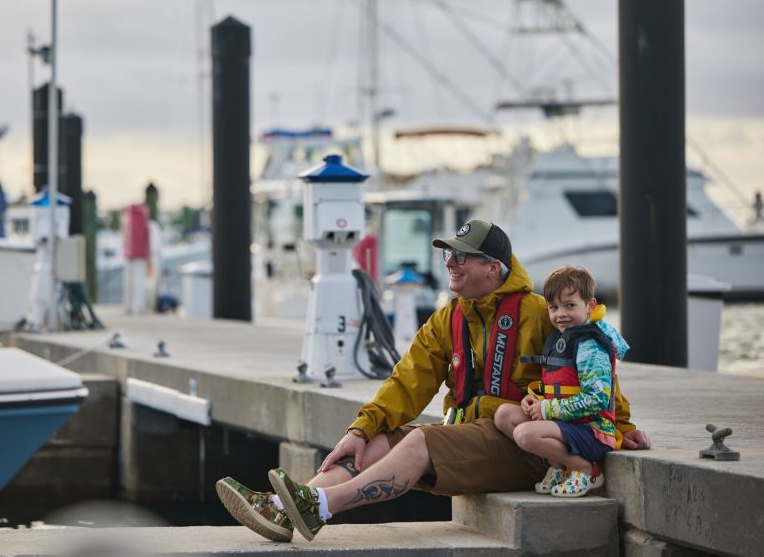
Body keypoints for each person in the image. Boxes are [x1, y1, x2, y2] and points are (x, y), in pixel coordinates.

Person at [216, 219, 651, 543]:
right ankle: (281, 510)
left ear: (493, 267)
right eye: (448, 254)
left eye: (461, 255)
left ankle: (322, 508)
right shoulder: (449, 316)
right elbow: (408, 379)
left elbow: (595, 365)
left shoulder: (539, 312)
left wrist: (623, 427)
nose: (450, 263)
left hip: (521, 442)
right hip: (469, 435)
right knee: (380, 441)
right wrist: (360, 429)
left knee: (421, 442)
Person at [494, 265, 629, 498]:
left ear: (590, 306)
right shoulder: (561, 337)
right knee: (504, 415)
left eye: (570, 305)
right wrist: (537, 400)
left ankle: (586, 469)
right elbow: (562, 387)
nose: (561, 314)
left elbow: (596, 400)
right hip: (568, 424)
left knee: (525, 434)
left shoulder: (591, 346)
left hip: (593, 431)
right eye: (554, 307)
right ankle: (559, 466)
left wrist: (547, 408)